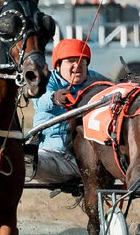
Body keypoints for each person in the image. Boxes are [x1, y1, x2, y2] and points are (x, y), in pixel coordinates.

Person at [25, 38, 108, 185]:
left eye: (82, 61)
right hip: (54, 154)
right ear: (57, 66)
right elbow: (40, 100)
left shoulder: (97, 81)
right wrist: (54, 98)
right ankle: (28, 164)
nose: (77, 65)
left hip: (90, 156)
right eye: (71, 61)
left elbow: (118, 90)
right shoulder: (47, 81)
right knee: (32, 161)